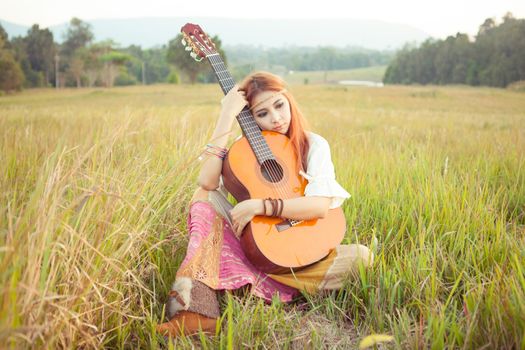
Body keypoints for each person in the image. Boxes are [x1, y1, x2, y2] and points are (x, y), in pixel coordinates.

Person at [156, 71, 373, 337]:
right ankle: (197, 312)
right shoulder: (242, 149)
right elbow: (207, 182)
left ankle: (253, 284)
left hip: (305, 250)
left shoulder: (312, 144)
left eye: (279, 105)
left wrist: (262, 206)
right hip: (257, 246)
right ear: (251, 117)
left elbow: (318, 207)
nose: (276, 118)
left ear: (288, 99)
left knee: (362, 257)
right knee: (204, 197)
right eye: (262, 113)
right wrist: (225, 116)